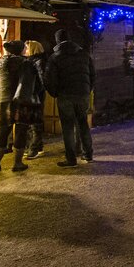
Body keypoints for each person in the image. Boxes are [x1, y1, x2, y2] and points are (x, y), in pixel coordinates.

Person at [45, 29, 96, 166]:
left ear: (57, 41)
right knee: (83, 124)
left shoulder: (55, 57)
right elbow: (92, 75)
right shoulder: (84, 54)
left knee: (68, 127)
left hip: (65, 95)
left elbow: (49, 79)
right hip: (83, 94)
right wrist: (87, 90)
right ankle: (88, 155)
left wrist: (55, 93)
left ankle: (71, 159)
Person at [0, 40, 32, 173]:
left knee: (3, 131)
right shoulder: (26, 63)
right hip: (22, 101)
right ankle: (17, 163)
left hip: (3, 100)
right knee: (20, 131)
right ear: (20, 50)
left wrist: (3, 92)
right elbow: (30, 82)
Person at [22, 40, 49, 160]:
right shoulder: (33, 61)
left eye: (27, 48)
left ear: (32, 49)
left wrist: (37, 91)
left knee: (34, 122)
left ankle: (33, 149)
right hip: (34, 94)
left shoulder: (37, 62)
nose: (25, 51)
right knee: (34, 121)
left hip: (35, 95)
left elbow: (42, 79)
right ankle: (38, 147)